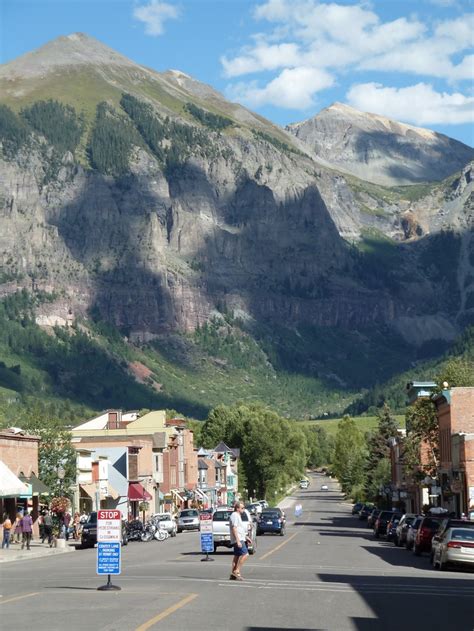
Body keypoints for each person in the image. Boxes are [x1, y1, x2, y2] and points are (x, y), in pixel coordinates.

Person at [229, 501, 250, 581]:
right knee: (245, 554)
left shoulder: (237, 515)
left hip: (241, 538)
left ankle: (233, 574)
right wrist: (238, 540)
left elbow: (239, 529)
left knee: (237, 556)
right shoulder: (234, 515)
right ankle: (237, 571)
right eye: (242, 508)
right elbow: (234, 528)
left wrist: (246, 537)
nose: (243, 509)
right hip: (238, 539)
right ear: (237, 508)